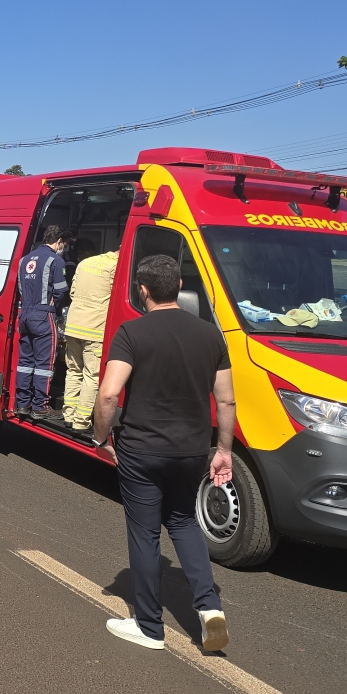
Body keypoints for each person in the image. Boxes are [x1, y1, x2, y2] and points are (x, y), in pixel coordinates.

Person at [92, 253, 235, 653]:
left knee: (145, 533)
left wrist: (101, 438)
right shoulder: (211, 336)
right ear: (179, 289)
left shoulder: (131, 333)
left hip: (142, 450)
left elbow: (108, 393)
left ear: (143, 290)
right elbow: (225, 402)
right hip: (191, 450)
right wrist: (223, 450)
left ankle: (149, 626)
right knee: (184, 522)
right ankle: (209, 608)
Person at [15, 225, 70, 425]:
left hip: (25, 314)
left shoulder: (24, 260)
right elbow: (61, 291)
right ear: (58, 241)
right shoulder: (56, 260)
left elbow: (21, 287)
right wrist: (53, 307)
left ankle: (22, 404)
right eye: (63, 243)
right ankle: (40, 407)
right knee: (44, 365)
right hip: (43, 315)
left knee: (25, 362)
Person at [62, 242, 119, 435]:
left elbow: (72, 292)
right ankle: (81, 421)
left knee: (73, 370)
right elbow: (117, 299)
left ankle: (68, 415)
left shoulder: (86, 262)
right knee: (91, 375)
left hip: (73, 325)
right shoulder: (115, 267)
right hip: (94, 329)